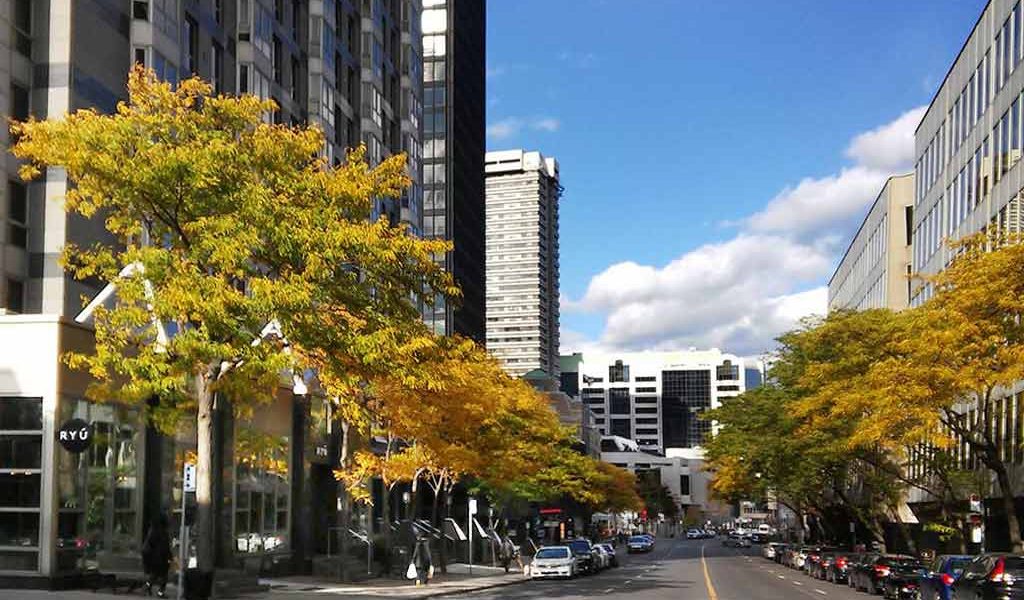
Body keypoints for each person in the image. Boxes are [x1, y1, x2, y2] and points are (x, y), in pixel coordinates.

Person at [142, 513, 172, 597]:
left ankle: (147, 587)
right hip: (162, 558)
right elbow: (165, 547)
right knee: (164, 577)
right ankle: (160, 592)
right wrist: (169, 556)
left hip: (154, 557)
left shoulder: (153, 531)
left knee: (154, 575)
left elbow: (151, 543)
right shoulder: (163, 533)